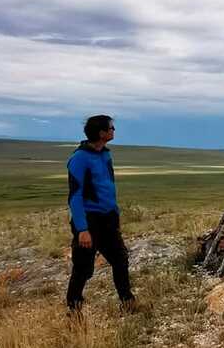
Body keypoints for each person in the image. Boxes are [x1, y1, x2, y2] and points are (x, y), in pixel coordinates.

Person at [65, 115, 135, 315]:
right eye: (111, 128)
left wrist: (115, 212)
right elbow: (75, 196)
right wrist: (82, 229)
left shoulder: (105, 154)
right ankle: (74, 309)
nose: (114, 131)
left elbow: (108, 186)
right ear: (101, 133)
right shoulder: (79, 159)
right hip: (89, 220)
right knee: (83, 268)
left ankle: (127, 302)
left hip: (108, 218)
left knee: (120, 260)